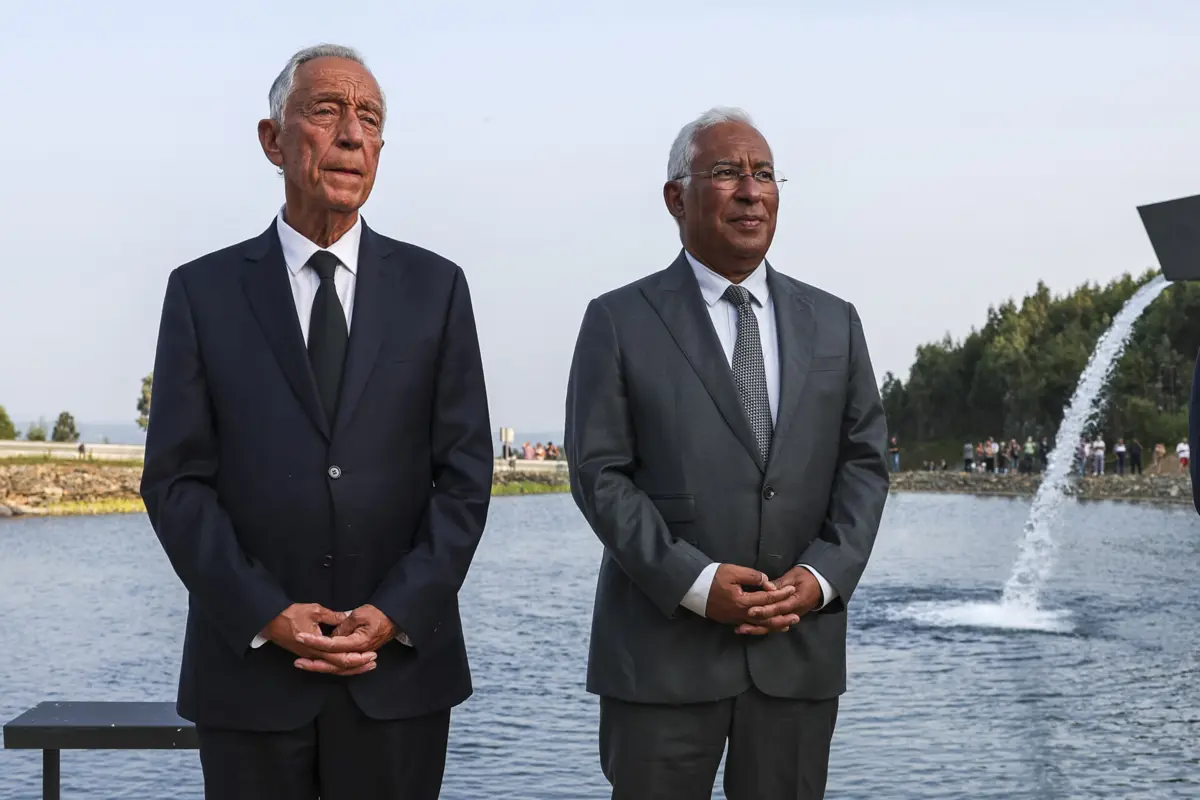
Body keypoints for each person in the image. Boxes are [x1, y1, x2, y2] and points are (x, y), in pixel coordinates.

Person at [139, 44, 492, 799]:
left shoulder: (438, 289)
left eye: (370, 118)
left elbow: (464, 478)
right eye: (327, 110)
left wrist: (396, 611)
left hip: (398, 674)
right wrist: (265, 613)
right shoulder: (201, 293)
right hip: (251, 676)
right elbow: (175, 482)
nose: (353, 134)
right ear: (273, 138)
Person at [564, 107, 888, 800]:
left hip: (797, 653)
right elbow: (599, 475)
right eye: (727, 173)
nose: (751, 190)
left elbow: (866, 464)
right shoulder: (618, 321)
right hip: (660, 658)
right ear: (676, 197)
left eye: (764, 174)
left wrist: (824, 575)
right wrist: (695, 582)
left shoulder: (835, 322)